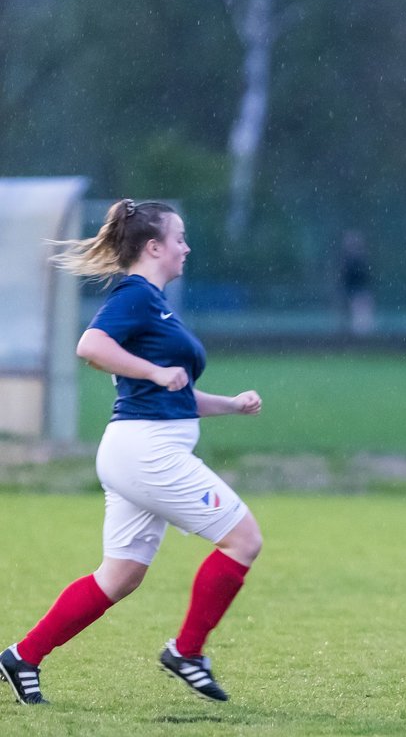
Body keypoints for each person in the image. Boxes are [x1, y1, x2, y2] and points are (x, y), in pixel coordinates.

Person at [0, 199, 264, 705]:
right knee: (243, 539)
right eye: (179, 238)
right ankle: (187, 653)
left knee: (119, 578)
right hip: (147, 453)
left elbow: (175, 391)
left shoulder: (155, 304)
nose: (186, 247)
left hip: (135, 450)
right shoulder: (137, 296)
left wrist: (230, 404)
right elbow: (90, 345)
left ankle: (21, 657)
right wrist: (154, 371)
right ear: (154, 246)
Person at [340, 229, 374, 337]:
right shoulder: (349, 261)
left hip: (359, 293)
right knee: (356, 320)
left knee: (361, 321)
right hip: (353, 293)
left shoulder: (359, 261)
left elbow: (364, 278)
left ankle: (362, 340)